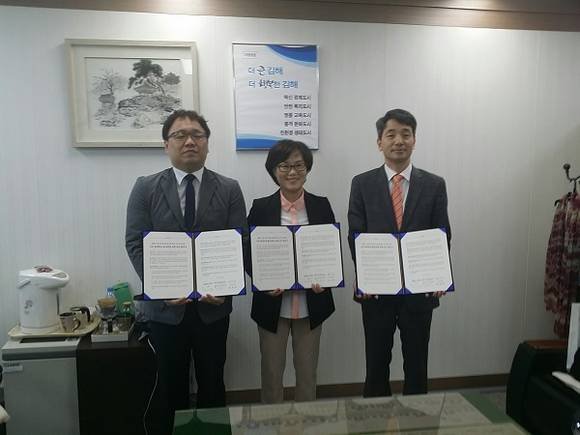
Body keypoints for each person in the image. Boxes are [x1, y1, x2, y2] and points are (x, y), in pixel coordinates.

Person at [125, 109, 247, 433]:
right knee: (170, 387)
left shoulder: (229, 188)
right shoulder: (145, 187)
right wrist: (161, 288)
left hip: (213, 308)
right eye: (180, 135)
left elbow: (240, 242)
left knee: (213, 383)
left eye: (197, 135)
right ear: (166, 144)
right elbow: (135, 243)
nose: (190, 141)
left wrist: (226, 287)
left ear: (207, 143)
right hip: (165, 311)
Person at [348, 108, 451, 397]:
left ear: (414, 140)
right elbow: (356, 234)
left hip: (419, 291)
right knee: (376, 366)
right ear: (379, 142)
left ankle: (417, 419)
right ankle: (373, 419)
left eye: (406, 134)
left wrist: (439, 276)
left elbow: (442, 233)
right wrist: (364, 276)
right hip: (376, 292)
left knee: (417, 365)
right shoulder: (362, 183)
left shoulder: (434, 184)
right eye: (391, 134)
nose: (399, 141)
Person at [248, 139, 336, 403]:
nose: (292, 172)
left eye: (299, 165)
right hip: (272, 306)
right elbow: (247, 253)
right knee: (271, 374)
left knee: (308, 374)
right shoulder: (260, 207)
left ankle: (306, 422)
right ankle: (271, 422)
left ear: (307, 169)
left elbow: (329, 250)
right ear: (274, 170)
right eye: (284, 166)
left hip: (312, 304)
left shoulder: (321, 205)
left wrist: (327, 278)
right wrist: (262, 280)